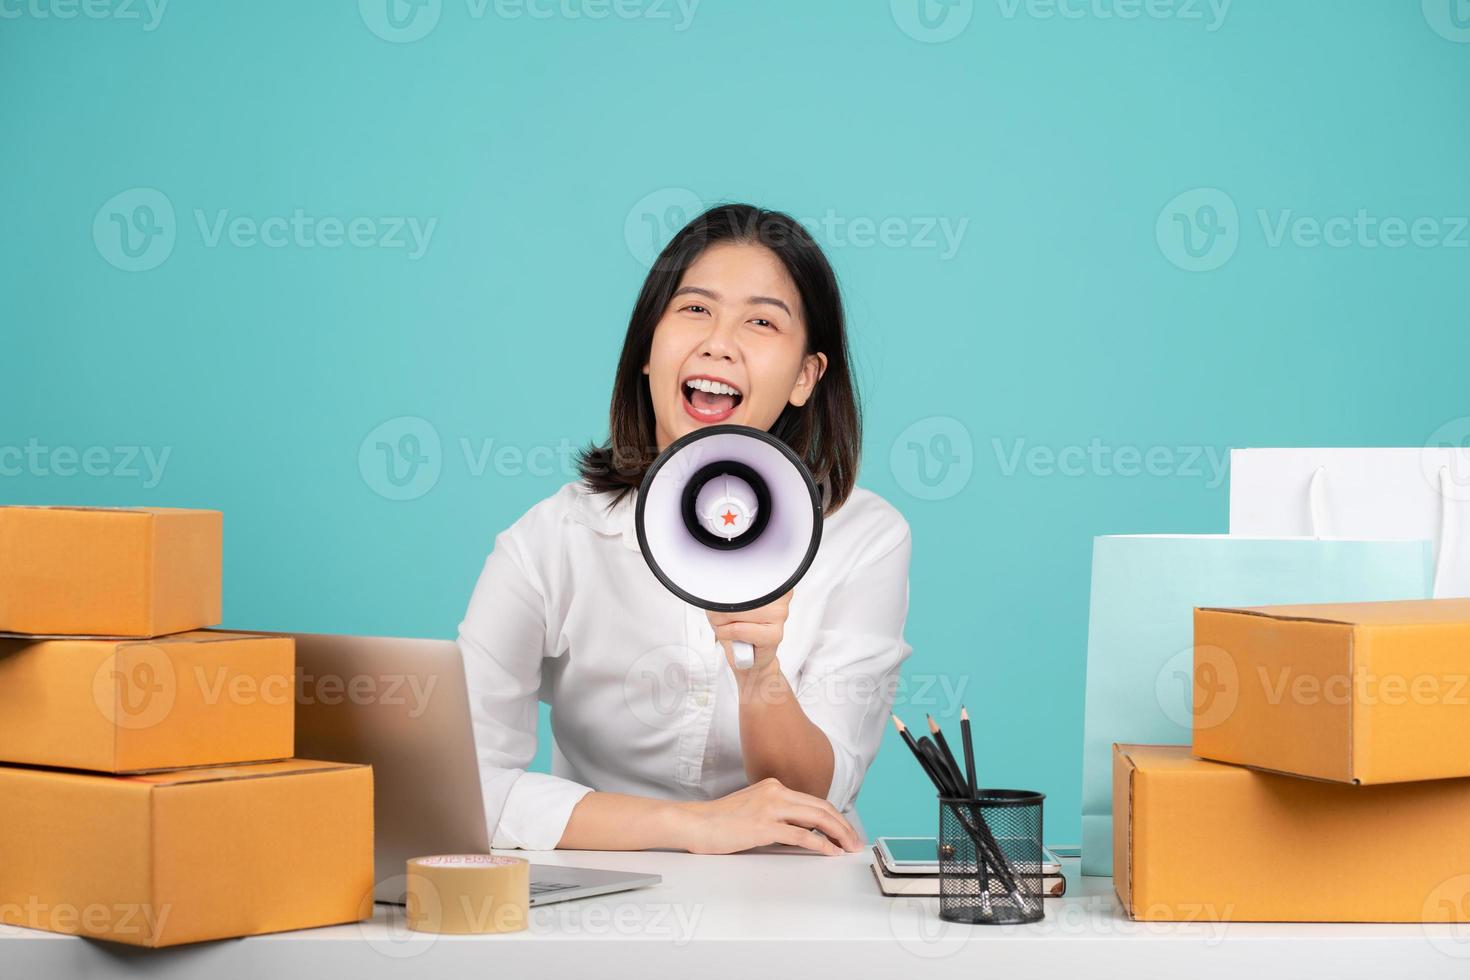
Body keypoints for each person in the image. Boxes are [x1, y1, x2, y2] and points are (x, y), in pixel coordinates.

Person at [458, 203, 912, 856]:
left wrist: (760, 675)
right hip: (601, 903)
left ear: (805, 377)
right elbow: (469, 785)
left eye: (761, 320)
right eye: (695, 309)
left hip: (795, 904)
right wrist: (693, 828)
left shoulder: (865, 536)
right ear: (647, 350)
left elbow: (816, 795)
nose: (718, 342)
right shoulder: (550, 541)